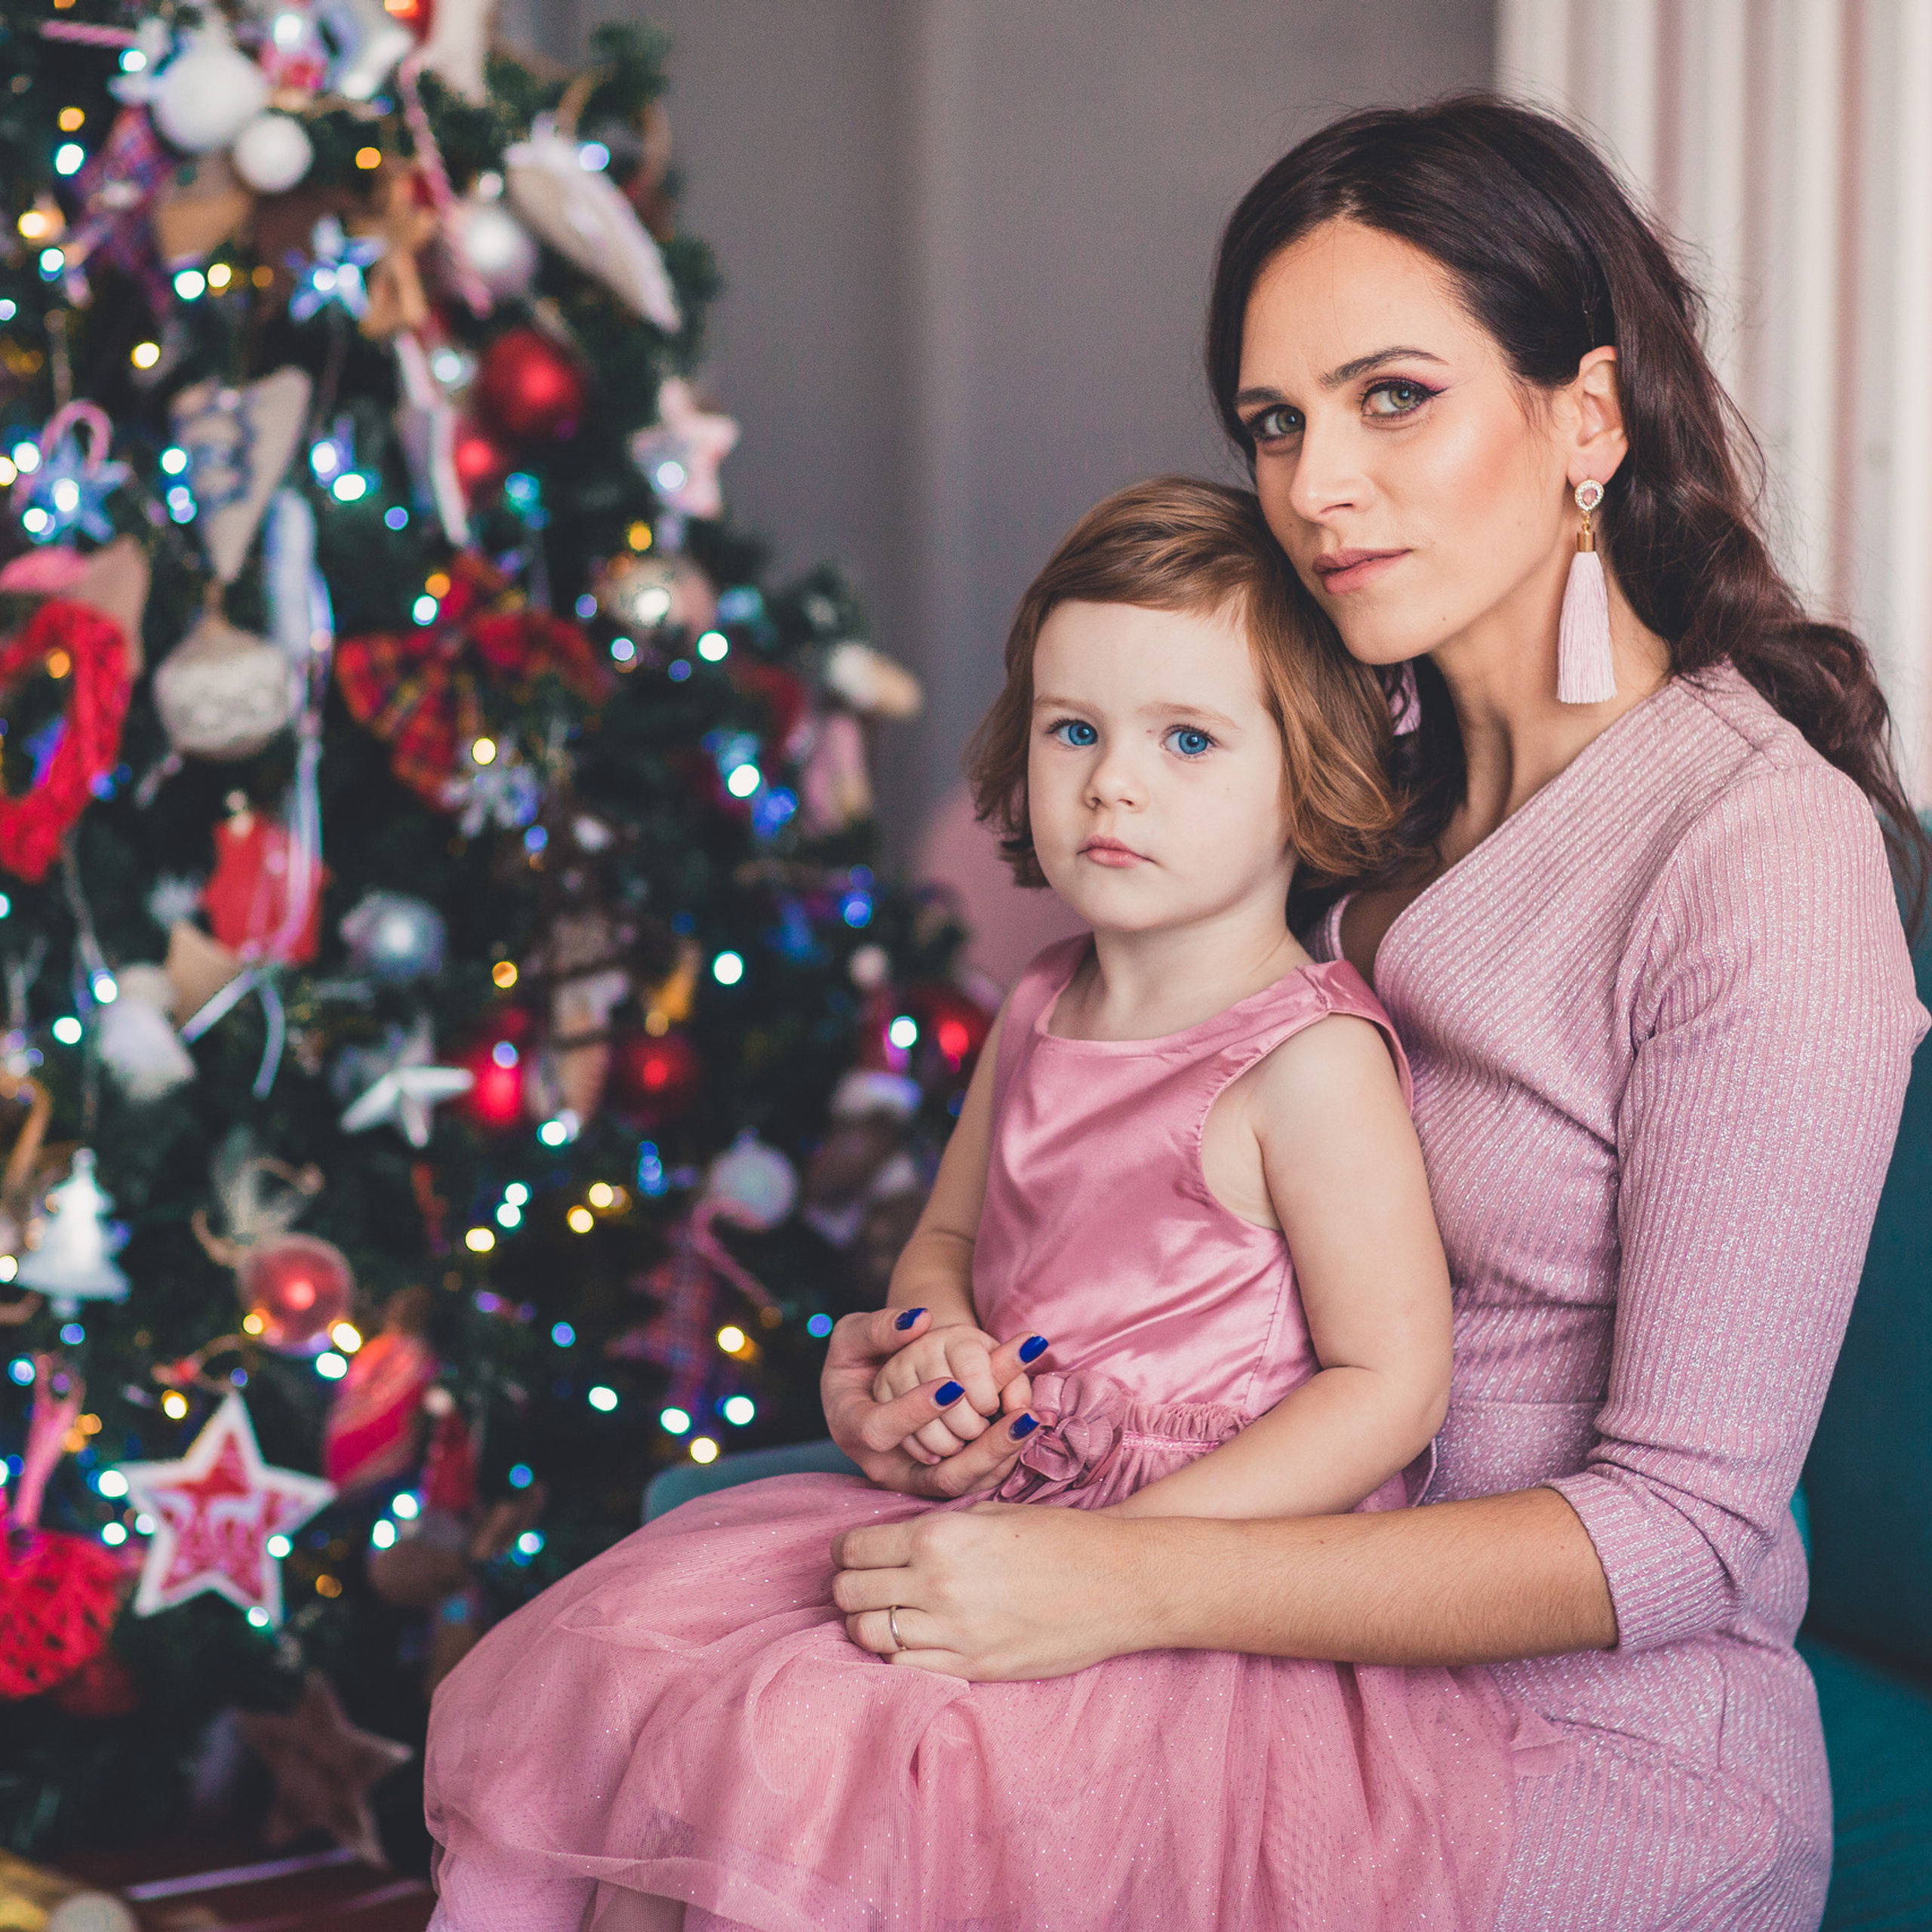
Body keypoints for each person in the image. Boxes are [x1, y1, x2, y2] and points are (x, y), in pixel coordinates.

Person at [826, 100, 1930, 1929]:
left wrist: (1107, 1581)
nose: (1315, 485)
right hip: (1233, 1612)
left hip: (1571, 1740)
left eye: (1391, 396)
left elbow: (1681, 1529)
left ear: (1584, 419)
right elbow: (1104, 1193)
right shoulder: (1331, 765)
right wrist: (938, 1376)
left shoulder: (1752, 852)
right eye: (1275, 421)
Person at [424, 477, 1531, 1930]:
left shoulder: (1310, 1062)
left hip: (1198, 1561)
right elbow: (948, 1242)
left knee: (825, 1750)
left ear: (1310, 771)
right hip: (997, 1502)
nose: (1110, 784)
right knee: (649, 1686)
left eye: (1186, 740)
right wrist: (938, 1336)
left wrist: (1130, 1560)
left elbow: (1392, 1387)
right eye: (1075, 731)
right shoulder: (1037, 1002)